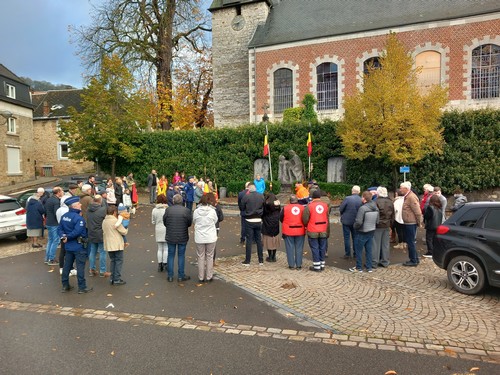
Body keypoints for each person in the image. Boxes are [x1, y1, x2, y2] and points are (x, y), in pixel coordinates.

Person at [58, 196, 92, 294]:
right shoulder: (79, 218)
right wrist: (68, 237)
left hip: (68, 246)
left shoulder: (64, 216)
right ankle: (82, 287)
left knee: (67, 266)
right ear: (74, 206)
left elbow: (59, 229)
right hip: (78, 245)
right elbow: (77, 231)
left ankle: (65, 285)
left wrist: (64, 237)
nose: (80, 204)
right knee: (80, 267)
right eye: (78, 204)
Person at [163, 194, 193, 282]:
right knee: (181, 255)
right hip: (182, 235)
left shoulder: (168, 210)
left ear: (173, 201)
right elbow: (189, 223)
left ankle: (170, 276)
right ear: (182, 201)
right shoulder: (186, 210)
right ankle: (181, 275)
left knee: (171, 255)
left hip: (170, 235)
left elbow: (165, 221)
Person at [349, 191, 379, 273]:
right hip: (371, 230)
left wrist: (355, 227)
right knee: (369, 250)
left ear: (364, 199)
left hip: (362, 231)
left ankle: (359, 267)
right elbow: (377, 220)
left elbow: (358, 221)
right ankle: (369, 267)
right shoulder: (375, 207)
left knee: (358, 251)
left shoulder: (363, 208)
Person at [193, 195, 219, 282]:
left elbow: (194, 221)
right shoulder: (212, 211)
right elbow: (215, 221)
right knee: (210, 256)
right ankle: (209, 276)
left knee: (200, 256)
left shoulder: (196, 211)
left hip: (199, 236)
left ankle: (201, 277)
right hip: (210, 236)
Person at [302, 189, 329, 272]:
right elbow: (327, 216)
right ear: (320, 197)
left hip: (313, 229)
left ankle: (316, 266)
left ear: (312, 197)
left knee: (315, 248)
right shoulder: (325, 205)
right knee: (322, 247)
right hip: (323, 229)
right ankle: (322, 264)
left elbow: (305, 219)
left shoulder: (309, 206)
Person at [240, 182, 265, 265]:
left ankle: (247, 261)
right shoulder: (261, 196)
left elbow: (242, 207)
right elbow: (264, 206)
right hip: (258, 219)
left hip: (249, 220)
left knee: (249, 240)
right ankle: (261, 260)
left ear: (249, 188)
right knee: (259, 240)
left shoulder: (246, 196)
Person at [102, 205, 128, 286]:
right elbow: (124, 231)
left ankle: (112, 278)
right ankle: (116, 278)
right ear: (114, 212)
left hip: (108, 244)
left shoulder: (104, 221)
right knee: (119, 261)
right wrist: (126, 227)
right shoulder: (115, 221)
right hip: (116, 243)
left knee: (113, 260)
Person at [87, 195, 110, 278]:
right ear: (100, 201)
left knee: (92, 251)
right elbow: (106, 207)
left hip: (91, 232)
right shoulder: (102, 210)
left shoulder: (88, 210)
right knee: (102, 252)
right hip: (100, 233)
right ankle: (102, 271)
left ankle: (91, 269)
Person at [400, 181, 423, 267]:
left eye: (401, 188)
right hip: (409, 222)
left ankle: (413, 260)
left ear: (406, 189)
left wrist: (419, 222)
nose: (400, 189)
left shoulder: (411, 197)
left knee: (410, 242)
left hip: (411, 223)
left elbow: (418, 211)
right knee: (410, 241)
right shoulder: (408, 196)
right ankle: (415, 259)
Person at [280, 194, 306, 269]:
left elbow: (281, 218)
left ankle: (291, 265)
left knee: (289, 248)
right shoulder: (302, 208)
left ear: (290, 201)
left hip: (288, 230)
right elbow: (305, 218)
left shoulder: (285, 208)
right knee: (299, 248)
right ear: (297, 201)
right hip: (300, 230)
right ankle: (299, 265)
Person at [372, 186, 394, 268]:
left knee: (375, 244)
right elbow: (393, 215)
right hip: (387, 224)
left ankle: (374, 262)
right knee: (385, 244)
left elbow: (374, 214)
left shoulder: (375, 202)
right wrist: (391, 225)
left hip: (378, 225)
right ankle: (385, 261)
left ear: (378, 193)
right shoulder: (390, 202)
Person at [339, 185, 362, 259]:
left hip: (346, 220)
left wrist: (343, 214)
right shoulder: (361, 199)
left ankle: (347, 254)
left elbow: (341, 209)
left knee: (347, 238)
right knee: (355, 237)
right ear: (359, 192)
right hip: (356, 220)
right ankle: (356, 253)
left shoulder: (347, 198)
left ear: (352, 191)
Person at [44, 187, 64, 266]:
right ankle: (51, 259)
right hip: (54, 223)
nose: (62, 192)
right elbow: (57, 213)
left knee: (50, 240)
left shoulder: (49, 199)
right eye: (61, 191)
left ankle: (47, 258)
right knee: (55, 241)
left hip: (49, 222)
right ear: (58, 192)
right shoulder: (56, 201)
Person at [262, 192, 281, 262]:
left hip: (267, 225)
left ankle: (270, 256)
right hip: (275, 226)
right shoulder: (278, 206)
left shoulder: (266, 205)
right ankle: (274, 256)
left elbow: (262, 213)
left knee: (268, 241)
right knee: (274, 241)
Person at [152, 194, 168, 272]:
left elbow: (153, 221)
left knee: (159, 248)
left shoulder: (154, 210)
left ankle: (159, 264)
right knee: (166, 248)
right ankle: (165, 263)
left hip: (158, 228)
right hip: (166, 228)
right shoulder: (167, 210)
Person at [206, 192, 224, 265]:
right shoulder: (217, 207)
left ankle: (206, 259)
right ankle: (212, 261)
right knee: (213, 244)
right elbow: (221, 217)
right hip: (215, 227)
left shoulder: (205, 207)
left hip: (206, 226)